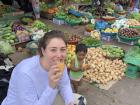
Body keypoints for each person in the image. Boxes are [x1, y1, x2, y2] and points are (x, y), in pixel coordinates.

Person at [1, 30, 74, 105]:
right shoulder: (25, 73)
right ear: (43, 51)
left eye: (63, 49)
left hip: (44, 99)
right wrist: (51, 86)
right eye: (53, 50)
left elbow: (64, 84)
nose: (59, 55)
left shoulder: (60, 65)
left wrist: (70, 101)